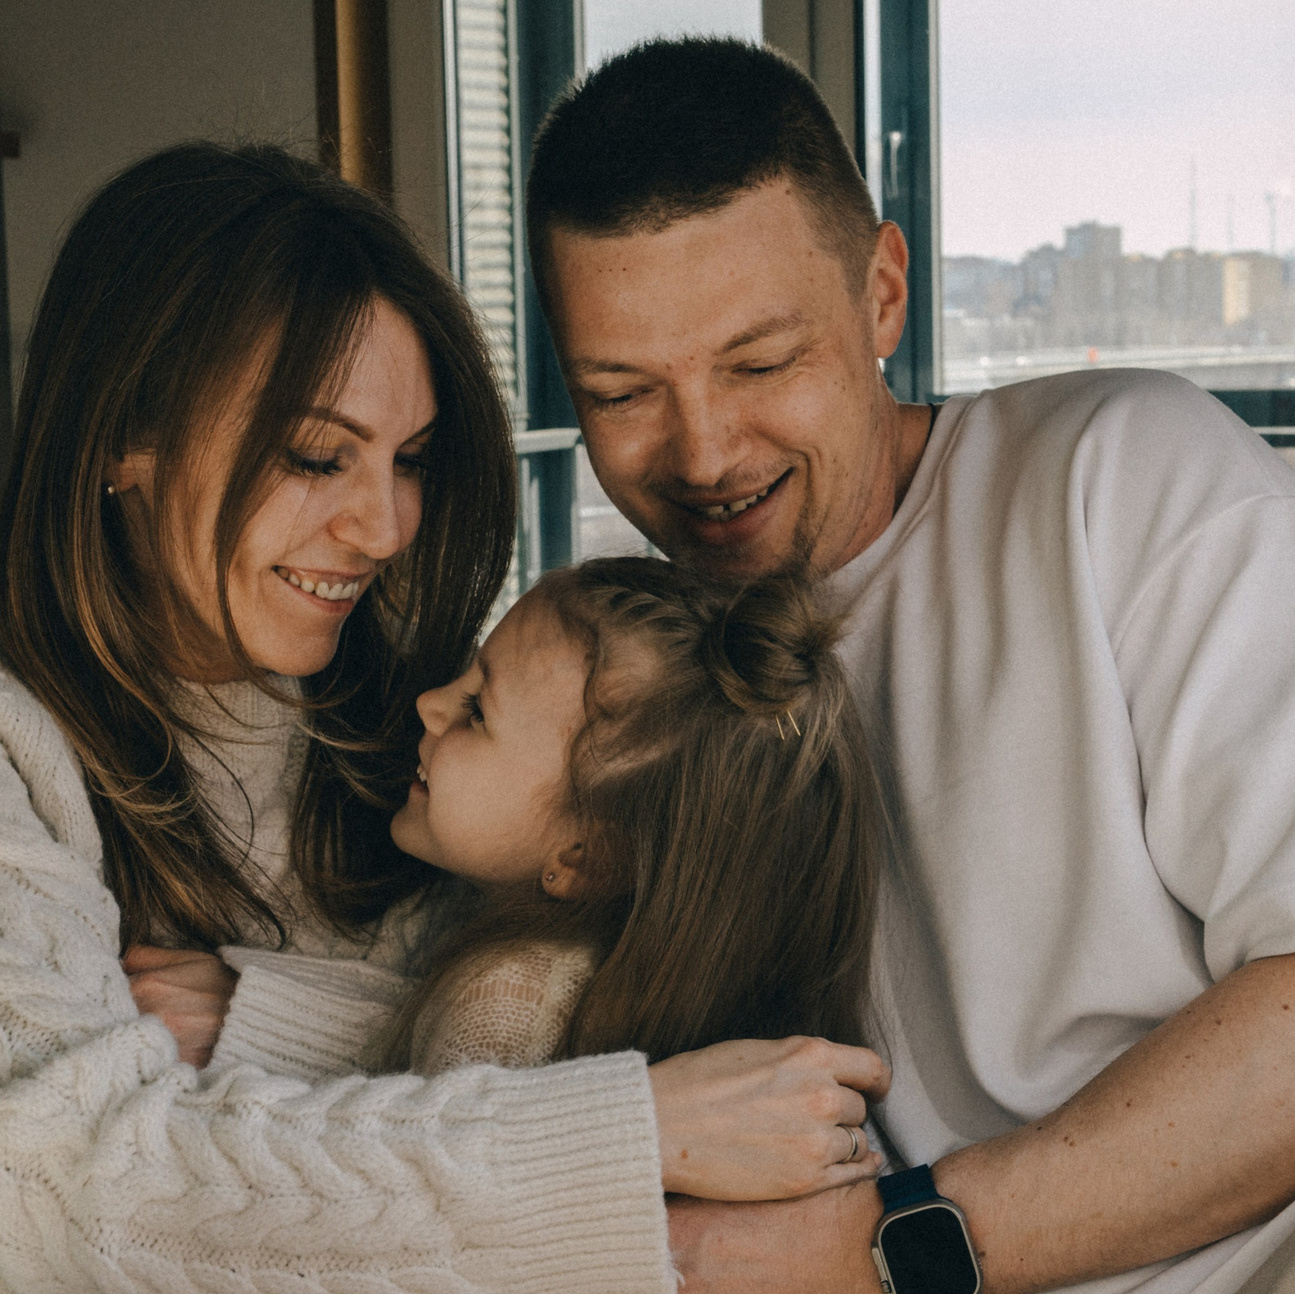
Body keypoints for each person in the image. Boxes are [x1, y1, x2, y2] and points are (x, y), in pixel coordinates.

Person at [0, 139, 890, 1293]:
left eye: (410, 459)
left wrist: (273, 1023)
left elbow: (498, 1021)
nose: (380, 527)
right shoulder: (25, 753)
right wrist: (634, 1136)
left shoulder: (408, 737)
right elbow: (57, 1198)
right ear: (129, 437)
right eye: (316, 455)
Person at [524, 36, 1295, 1294]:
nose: (704, 452)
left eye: (759, 363)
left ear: (882, 293)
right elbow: (487, 948)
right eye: (620, 393)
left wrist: (882, 1248)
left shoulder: (1122, 479)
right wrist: (251, 1006)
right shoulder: (625, 661)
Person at [382, 556, 885, 1195]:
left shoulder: (497, 1008)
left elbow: (427, 1215)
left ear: (584, 860)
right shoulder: (663, 994)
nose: (429, 704)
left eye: (478, 709)